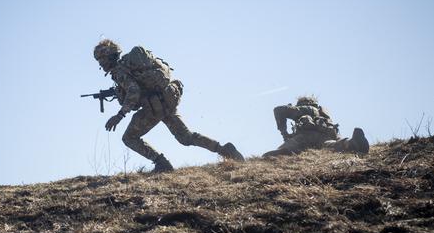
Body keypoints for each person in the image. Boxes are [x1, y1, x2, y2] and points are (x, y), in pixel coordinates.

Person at [93, 39, 244, 173]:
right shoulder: (131, 65)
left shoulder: (120, 71)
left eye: (102, 59)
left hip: (154, 108)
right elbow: (137, 88)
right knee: (186, 137)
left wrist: (119, 115)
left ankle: (161, 163)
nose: (101, 64)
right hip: (166, 100)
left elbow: (134, 90)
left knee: (129, 138)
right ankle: (224, 150)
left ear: (110, 57)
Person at [263, 96, 369, 157]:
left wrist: (284, 132)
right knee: (331, 145)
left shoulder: (305, 108)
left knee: (283, 151)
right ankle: (352, 144)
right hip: (325, 136)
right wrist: (344, 142)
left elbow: (278, 110)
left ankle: (279, 154)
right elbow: (335, 134)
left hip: (305, 136)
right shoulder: (324, 115)